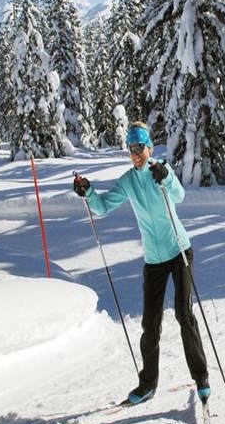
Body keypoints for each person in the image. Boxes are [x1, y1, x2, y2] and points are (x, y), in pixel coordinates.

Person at [73, 122, 210, 405]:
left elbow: (180, 196)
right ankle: (147, 384)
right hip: (154, 259)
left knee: (184, 315)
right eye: (131, 149)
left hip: (179, 249)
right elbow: (102, 207)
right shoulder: (128, 181)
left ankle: (201, 378)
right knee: (150, 324)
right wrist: (88, 192)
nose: (136, 154)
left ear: (149, 147)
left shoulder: (161, 170)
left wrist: (168, 178)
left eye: (140, 148)